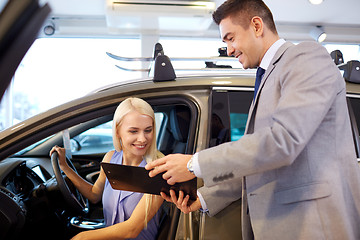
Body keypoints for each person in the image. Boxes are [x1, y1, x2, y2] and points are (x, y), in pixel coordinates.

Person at [145, 0, 360, 239]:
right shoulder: (266, 76)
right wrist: (205, 197)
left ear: (257, 26)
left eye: (230, 38)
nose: (228, 49)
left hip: (312, 227)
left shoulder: (306, 57)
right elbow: (261, 162)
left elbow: (282, 142)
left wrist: (192, 165)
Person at [50, 97, 164, 240]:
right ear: (117, 131)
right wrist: (65, 168)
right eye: (134, 131)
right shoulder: (111, 158)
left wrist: (82, 237)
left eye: (148, 130)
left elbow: (132, 230)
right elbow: (94, 195)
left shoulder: (158, 169)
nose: (142, 139)